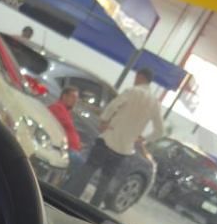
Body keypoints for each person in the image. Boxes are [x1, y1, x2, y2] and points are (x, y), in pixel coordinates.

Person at [64, 67, 164, 205]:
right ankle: (92, 209)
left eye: (136, 77)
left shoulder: (132, 91)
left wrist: (103, 121)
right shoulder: (155, 103)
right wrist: (143, 139)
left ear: (140, 77)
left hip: (108, 139)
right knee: (105, 182)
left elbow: (113, 106)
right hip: (124, 149)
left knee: (87, 171)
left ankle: (70, 200)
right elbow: (160, 131)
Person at [49, 86, 82, 180]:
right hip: (64, 149)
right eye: (73, 97)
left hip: (71, 149)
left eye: (76, 98)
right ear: (64, 96)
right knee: (83, 168)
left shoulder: (66, 112)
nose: (75, 101)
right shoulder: (57, 108)